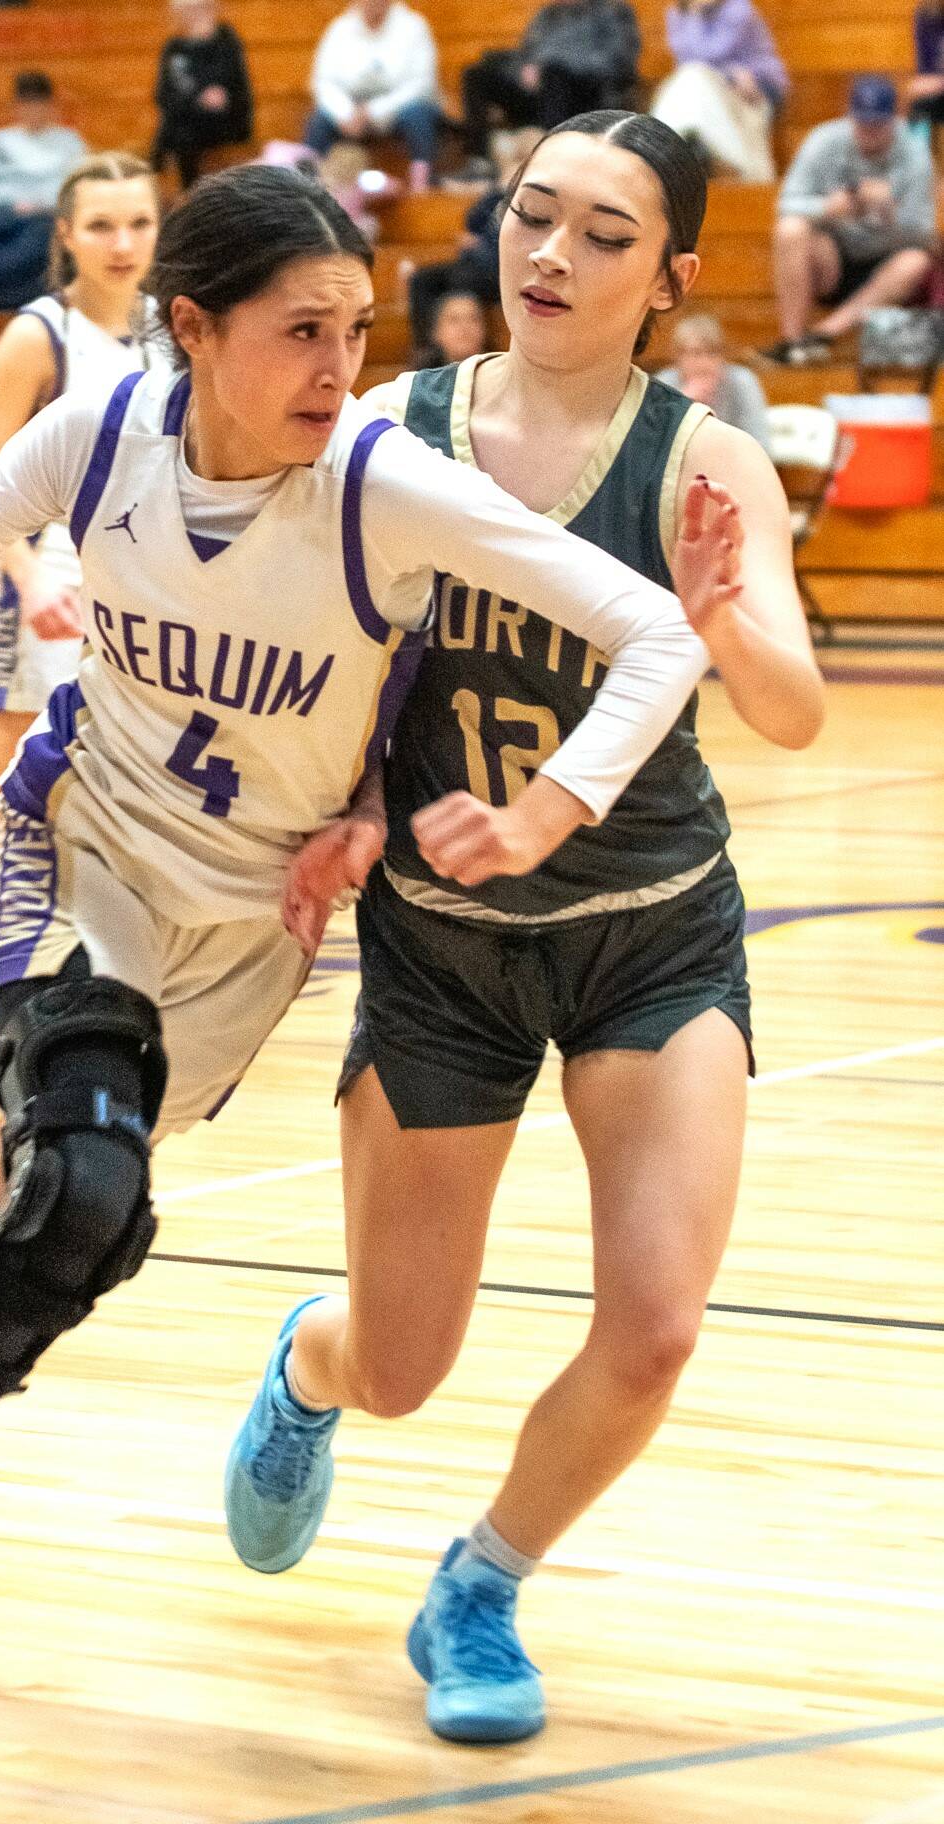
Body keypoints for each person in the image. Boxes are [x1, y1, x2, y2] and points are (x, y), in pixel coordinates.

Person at [0, 162, 739, 1725]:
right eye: (299, 332)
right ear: (190, 330)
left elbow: (650, 628)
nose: (338, 369)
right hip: (80, 851)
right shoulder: (100, 438)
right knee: (73, 1190)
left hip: (243, 928)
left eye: (355, 331)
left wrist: (540, 811)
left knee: (2, 1204)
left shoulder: (381, 483)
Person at [223, 112, 824, 1748]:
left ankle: (478, 1579)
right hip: (442, 945)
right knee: (402, 1360)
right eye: (529, 215)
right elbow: (317, 673)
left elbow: (792, 710)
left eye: (601, 234)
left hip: (649, 929)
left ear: (671, 280)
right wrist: (340, 810)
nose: (548, 252)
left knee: (655, 1324)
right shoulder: (384, 431)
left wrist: (709, 619)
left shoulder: (702, 463)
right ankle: (309, 1363)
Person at [0, 151, 162, 1089]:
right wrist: (25, 580)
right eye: (101, 225)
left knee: (124, 801)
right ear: (65, 235)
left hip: (136, 585)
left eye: (138, 222)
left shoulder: (170, 333)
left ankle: (104, 983)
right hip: (41, 575)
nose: (123, 242)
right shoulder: (37, 338)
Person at [765, 75, 936, 366]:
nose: (868, 132)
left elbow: (926, 235)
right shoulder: (824, 140)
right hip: (833, 257)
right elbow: (785, 204)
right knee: (790, 230)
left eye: (877, 125)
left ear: (893, 119)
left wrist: (889, 214)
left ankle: (822, 334)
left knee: (916, 261)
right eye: (862, 123)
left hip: (884, 262)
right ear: (850, 115)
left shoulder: (915, 154)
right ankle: (792, 341)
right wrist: (828, 208)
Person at [0, 73, 89, 308]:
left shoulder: (70, 142)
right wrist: (14, 203)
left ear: (51, 106)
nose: (33, 110)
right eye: (27, 104)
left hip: (47, 216)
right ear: (16, 106)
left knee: (44, 236)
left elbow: (78, 188)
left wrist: (42, 204)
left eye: (39, 104)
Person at [461, 0, 641, 165]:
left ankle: (551, 155)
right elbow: (525, 54)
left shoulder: (613, 11)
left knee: (555, 73)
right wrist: (524, 71)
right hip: (540, 95)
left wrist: (553, 66)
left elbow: (619, 61)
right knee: (476, 75)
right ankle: (479, 160)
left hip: (585, 95)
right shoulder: (547, 16)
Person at [304, 0, 442, 194]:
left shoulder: (413, 27)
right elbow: (323, 81)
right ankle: (309, 187)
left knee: (419, 115)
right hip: (350, 110)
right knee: (320, 119)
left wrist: (374, 110)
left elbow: (421, 83)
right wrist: (345, 112)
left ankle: (420, 185)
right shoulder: (340, 29)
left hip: (398, 106)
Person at [651, 0, 788, 182]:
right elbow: (689, 61)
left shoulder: (739, 10)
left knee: (694, 79)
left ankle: (734, 165)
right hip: (700, 97)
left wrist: (740, 77)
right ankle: (666, 152)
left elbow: (705, 56)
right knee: (686, 84)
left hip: (745, 98)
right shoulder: (678, 15)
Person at [152, 0, 254, 189]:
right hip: (186, 125)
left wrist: (222, 99)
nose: (195, 16)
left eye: (199, 8)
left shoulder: (227, 42)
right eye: (189, 10)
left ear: (212, 8)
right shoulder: (174, 48)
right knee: (177, 134)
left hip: (223, 126)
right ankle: (185, 191)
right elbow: (162, 96)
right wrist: (198, 100)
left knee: (179, 135)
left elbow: (241, 94)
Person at [406, 184, 504, 351]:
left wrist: (479, 247)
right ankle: (427, 345)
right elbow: (472, 219)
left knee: (462, 279)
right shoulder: (500, 197)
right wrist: (498, 189)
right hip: (472, 261)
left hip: (495, 270)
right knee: (420, 279)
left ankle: (467, 346)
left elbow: (505, 250)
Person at [658, 312, 771, 447]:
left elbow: (761, 444)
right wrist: (682, 404)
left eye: (712, 353)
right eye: (695, 353)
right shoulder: (664, 385)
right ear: (678, 357)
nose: (704, 363)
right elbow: (653, 449)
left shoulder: (742, 381)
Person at [415, 288, 487, 367]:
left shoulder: (499, 373)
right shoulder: (421, 377)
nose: (464, 327)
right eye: (454, 320)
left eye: (473, 319)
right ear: (436, 332)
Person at [908, 2, 944, 138]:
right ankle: (917, 155)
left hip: (940, 84)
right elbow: (926, 70)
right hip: (939, 91)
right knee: (921, 105)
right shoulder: (927, 15)